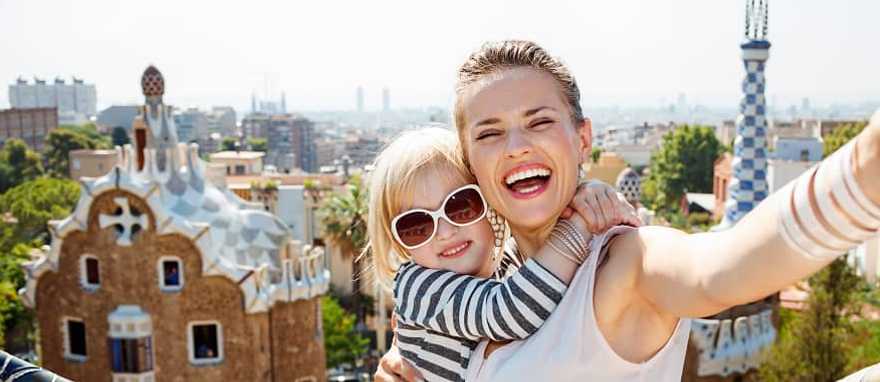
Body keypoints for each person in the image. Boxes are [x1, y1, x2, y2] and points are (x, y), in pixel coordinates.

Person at [376, 40, 880, 381]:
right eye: (489, 133)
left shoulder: (624, 260)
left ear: (583, 140)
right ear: (472, 167)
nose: (516, 146)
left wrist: (865, 168)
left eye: (539, 121)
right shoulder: (497, 272)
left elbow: (721, 267)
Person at [366, 127, 636, 382]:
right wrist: (578, 226)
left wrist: (587, 197)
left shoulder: (505, 267)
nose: (445, 232)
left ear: (489, 202)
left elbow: (541, 251)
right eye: (416, 225)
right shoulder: (419, 286)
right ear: (400, 243)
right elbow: (510, 312)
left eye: (460, 207)